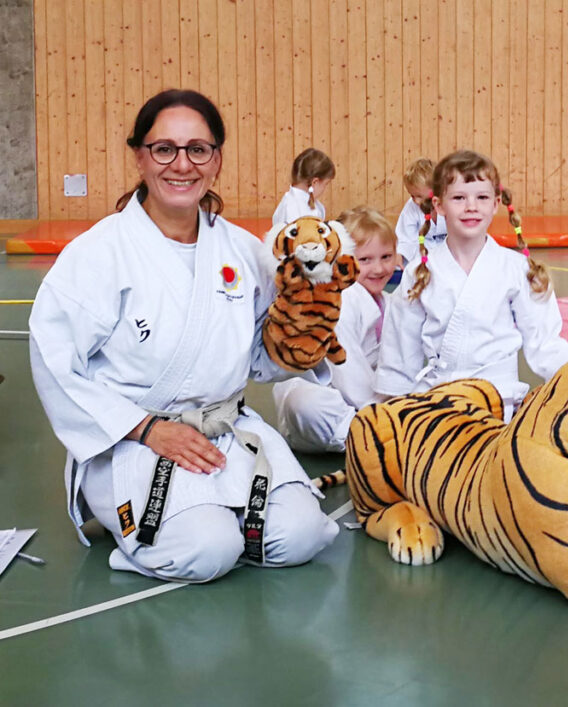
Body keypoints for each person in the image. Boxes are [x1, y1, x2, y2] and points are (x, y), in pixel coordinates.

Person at [29, 89, 339, 583]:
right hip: (133, 438)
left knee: (302, 536)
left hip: (225, 429)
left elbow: (263, 360)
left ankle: (212, 511)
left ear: (215, 159)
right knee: (207, 550)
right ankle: (146, 517)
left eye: (198, 149)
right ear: (139, 156)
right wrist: (148, 429)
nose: (182, 164)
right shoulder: (97, 253)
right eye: (164, 148)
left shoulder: (242, 250)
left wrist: (305, 331)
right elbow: (54, 360)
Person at [375, 149, 568, 420]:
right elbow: (399, 357)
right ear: (439, 205)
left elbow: (546, 346)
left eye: (481, 197)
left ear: (495, 204)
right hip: (438, 400)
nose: (471, 206)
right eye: (458, 198)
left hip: (498, 404)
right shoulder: (419, 273)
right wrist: (393, 418)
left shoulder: (517, 269)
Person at [273, 206, 398, 452]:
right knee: (307, 405)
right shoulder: (339, 300)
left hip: (363, 399)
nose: (379, 269)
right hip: (324, 394)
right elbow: (345, 367)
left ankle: (373, 429)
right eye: (365, 260)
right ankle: (373, 434)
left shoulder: (390, 301)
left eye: (386, 257)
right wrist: (379, 411)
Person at [394, 157, 447, 266]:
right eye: (412, 195)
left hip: (449, 250)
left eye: (419, 196)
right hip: (422, 249)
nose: (416, 200)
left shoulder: (450, 204)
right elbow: (406, 238)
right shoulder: (411, 206)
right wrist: (399, 254)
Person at [272, 147, 335, 224]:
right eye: (326, 184)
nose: (325, 188)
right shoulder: (295, 209)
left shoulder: (289, 200)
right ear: (315, 182)